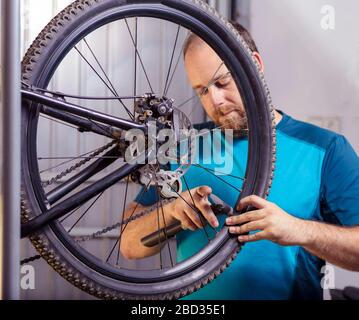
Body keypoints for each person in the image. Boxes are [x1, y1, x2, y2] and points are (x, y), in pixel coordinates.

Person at [120, 22, 359, 299]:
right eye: (202, 90)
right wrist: (171, 213)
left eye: (222, 83)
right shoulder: (182, 147)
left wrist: (297, 230)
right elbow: (128, 245)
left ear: (254, 64)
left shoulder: (325, 149)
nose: (215, 101)